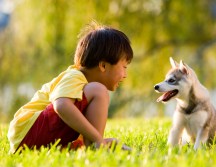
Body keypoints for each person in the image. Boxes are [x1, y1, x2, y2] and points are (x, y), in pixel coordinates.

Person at [7, 21, 133, 154]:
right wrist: (98, 139)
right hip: (29, 131)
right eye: (124, 67)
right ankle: (96, 145)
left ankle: (93, 146)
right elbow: (61, 106)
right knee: (99, 90)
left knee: (94, 95)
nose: (125, 75)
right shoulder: (75, 76)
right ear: (103, 65)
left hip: (29, 139)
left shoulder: (83, 91)